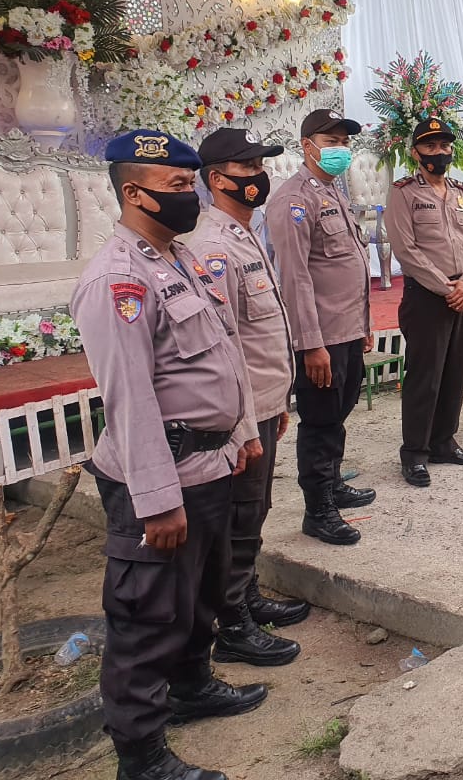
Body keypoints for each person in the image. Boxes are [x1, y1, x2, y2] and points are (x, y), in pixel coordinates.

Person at [70, 129, 266, 780]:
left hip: (209, 462)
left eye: (191, 183)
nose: (192, 196)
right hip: (161, 474)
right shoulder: (117, 279)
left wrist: (240, 434)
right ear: (134, 192)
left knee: (199, 596)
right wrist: (156, 501)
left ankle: (193, 686)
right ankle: (142, 756)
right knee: (147, 615)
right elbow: (129, 398)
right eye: (178, 187)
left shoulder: (180, 258)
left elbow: (222, 353)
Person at [191, 127, 308, 668]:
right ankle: (232, 622)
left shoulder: (244, 232)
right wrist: (242, 423)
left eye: (260, 166)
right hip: (241, 413)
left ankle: (246, 596)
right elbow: (224, 344)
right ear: (217, 180)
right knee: (238, 514)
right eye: (247, 169)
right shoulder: (213, 246)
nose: (258, 177)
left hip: (262, 403)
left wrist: (275, 402)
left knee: (254, 508)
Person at [267, 109, 376, 545]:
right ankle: (318, 509)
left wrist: (364, 326)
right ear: (307, 145)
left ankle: (331, 484)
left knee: (339, 414)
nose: (340, 149)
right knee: (319, 421)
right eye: (330, 141)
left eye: (343, 141)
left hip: (347, 330)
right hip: (321, 338)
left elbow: (348, 268)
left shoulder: (333, 192)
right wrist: (310, 346)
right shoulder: (293, 200)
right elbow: (295, 279)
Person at [384, 118, 463, 487]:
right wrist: (448, 288)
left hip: (462, 292)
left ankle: (444, 441)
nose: (439, 152)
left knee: (455, 372)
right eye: (430, 146)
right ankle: (414, 453)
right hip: (428, 296)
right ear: (415, 152)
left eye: (444, 146)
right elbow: (406, 250)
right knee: (425, 377)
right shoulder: (404, 192)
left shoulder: (461, 192)